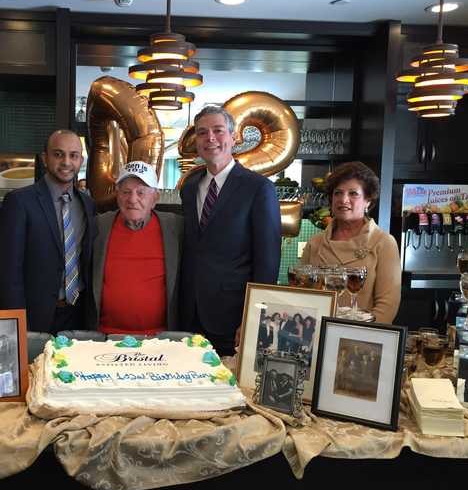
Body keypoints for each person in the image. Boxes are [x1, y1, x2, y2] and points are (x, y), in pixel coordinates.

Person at [179, 105, 281, 355]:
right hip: (188, 314)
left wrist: (254, 317)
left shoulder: (259, 188)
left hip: (232, 316)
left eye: (218, 131)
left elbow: (267, 262)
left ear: (233, 137)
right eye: (202, 133)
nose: (210, 138)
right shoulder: (190, 187)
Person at [0, 130, 96, 333]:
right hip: (35, 318)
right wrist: (17, 326)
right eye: (58, 154)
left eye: (73, 155)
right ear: (45, 158)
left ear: (81, 160)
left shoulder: (87, 204)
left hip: (78, 316)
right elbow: (8, 274)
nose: (66, 162)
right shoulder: (19, 202)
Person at [88, 161, 183, 335]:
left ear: (155, 198)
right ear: (117, 196)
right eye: (126, 192)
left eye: (141, 192)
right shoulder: (99, 226)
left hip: (160, 340)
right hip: (105, 337)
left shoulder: (176, 227)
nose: (132, 199)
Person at [299, 162, 401, 323]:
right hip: (317, 334)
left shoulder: (383, 243)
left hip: (361, 339)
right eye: (338, 193)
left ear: (368, 200)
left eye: (353, 193)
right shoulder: (315, 243)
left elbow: (387, 306)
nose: (343, 199)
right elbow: (301, 295)